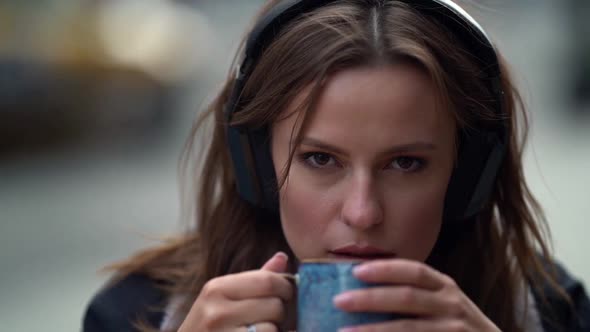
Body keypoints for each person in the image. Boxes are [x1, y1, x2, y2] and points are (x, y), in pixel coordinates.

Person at [83, 0, 590, 331]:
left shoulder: (551, 312)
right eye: (320, 159)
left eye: (407, 163)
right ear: (256, 163)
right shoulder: (134, 313)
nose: (363, 213)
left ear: (467, 177)